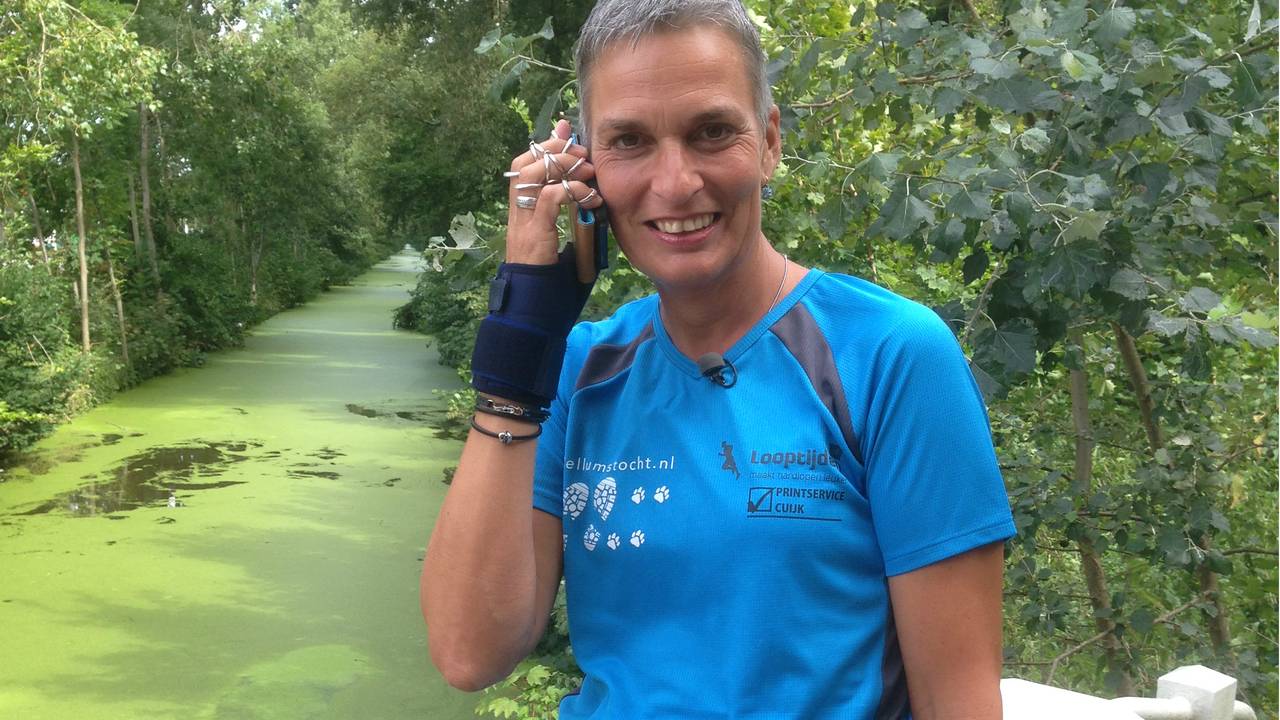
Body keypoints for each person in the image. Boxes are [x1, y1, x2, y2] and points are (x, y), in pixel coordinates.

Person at [421, 1, 1016, 717]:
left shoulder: (889, 356)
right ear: (586, 169)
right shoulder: (579, 370)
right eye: (630, 142)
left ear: (768, 142)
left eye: (711, 132)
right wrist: (520, 338)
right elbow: (469, 650)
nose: (674, 183)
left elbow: (961, 702)